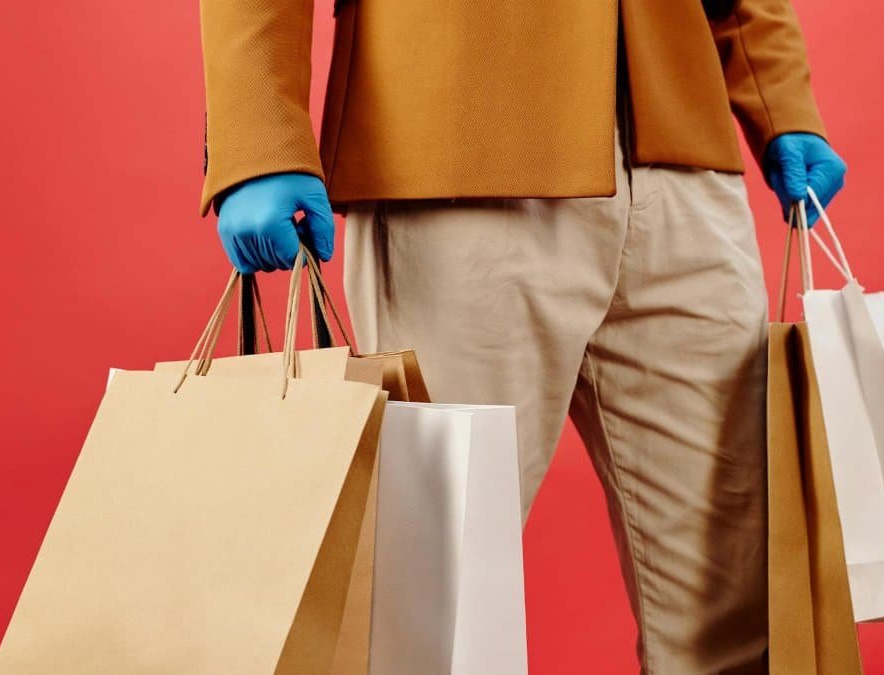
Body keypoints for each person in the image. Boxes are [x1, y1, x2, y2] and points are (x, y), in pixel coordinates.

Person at [200, 0, 846, 671]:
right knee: (431, 613)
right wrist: (257, 137)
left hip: (682, 151)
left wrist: (781, 96)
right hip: (457, 151)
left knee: (743, 601)